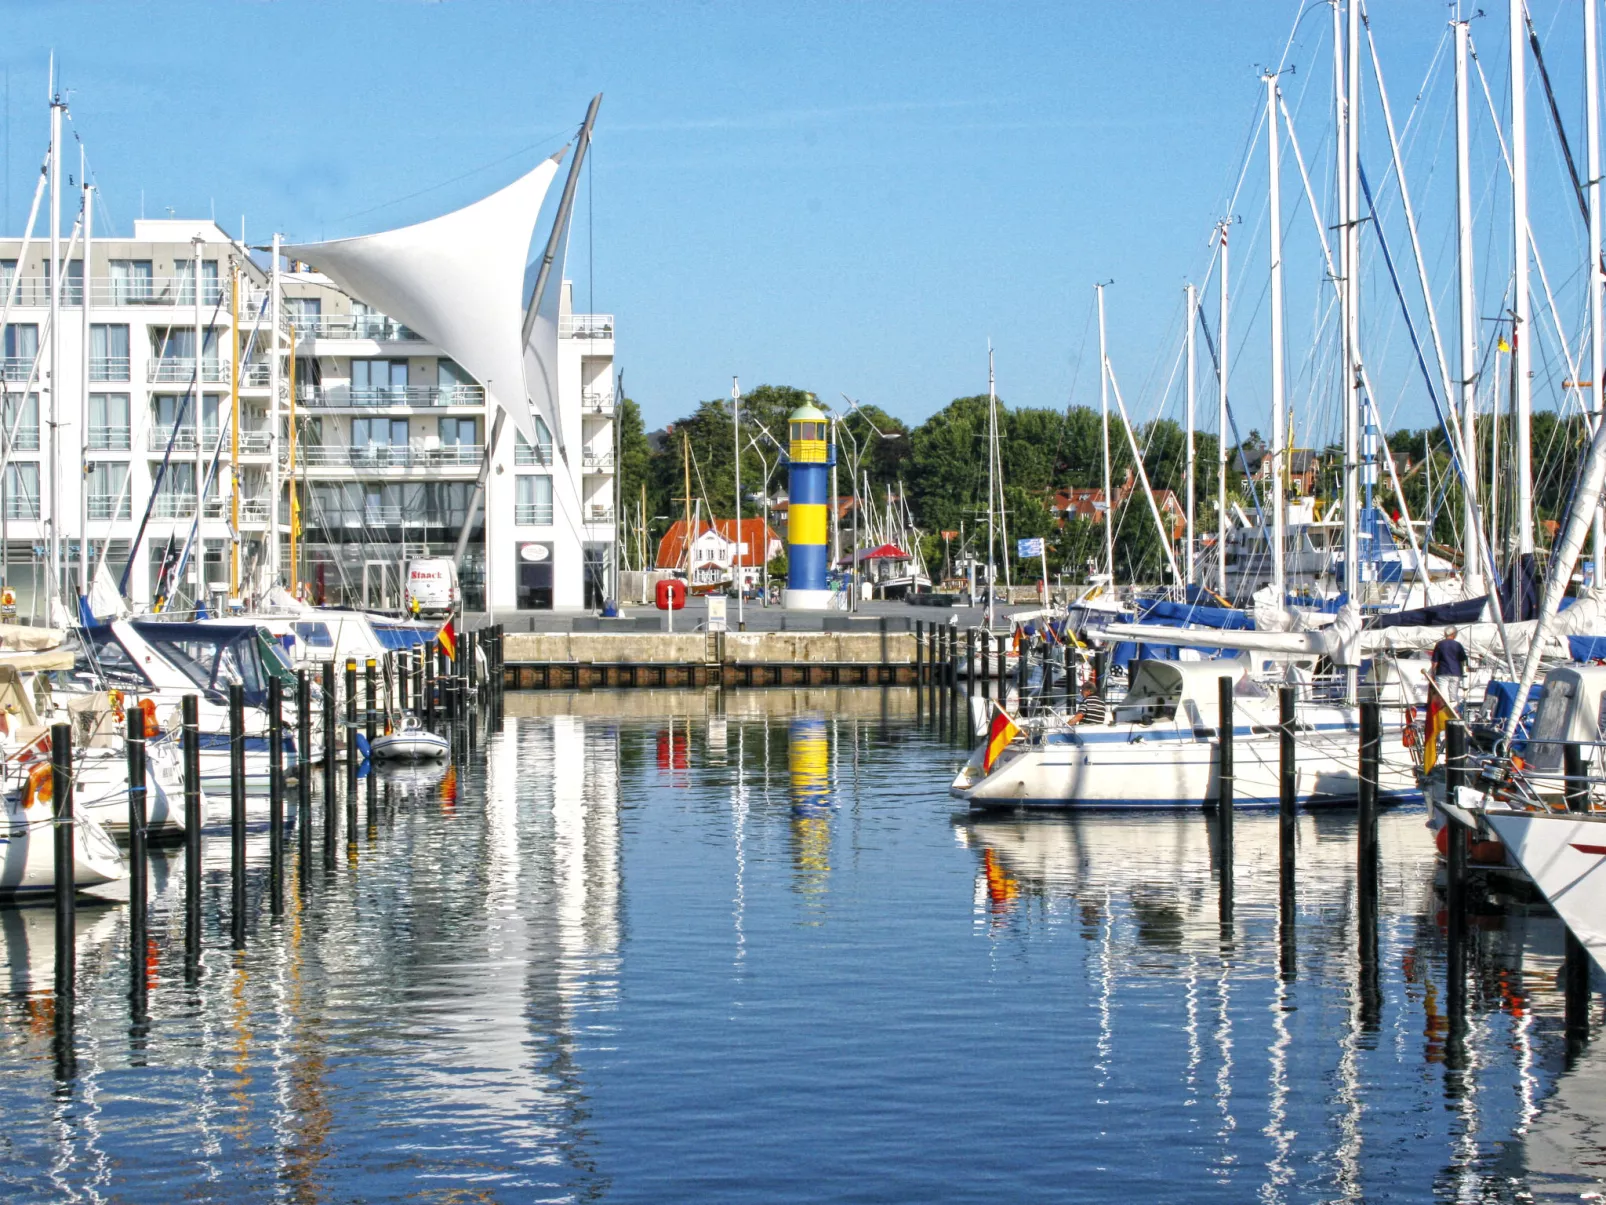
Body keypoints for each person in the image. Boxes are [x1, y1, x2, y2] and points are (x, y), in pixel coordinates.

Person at [1431, 625, 1467, 706]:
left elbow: (1435, 661)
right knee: (1453, 695)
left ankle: (1445, 710)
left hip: (1442, 672)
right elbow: (1463, 659)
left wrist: (1433, 672)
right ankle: (1454, 711)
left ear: (1445, 634)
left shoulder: (1440, 644)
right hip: (1456, 672)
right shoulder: (1458, 645)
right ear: (1454, 634)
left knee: (1443, 694)